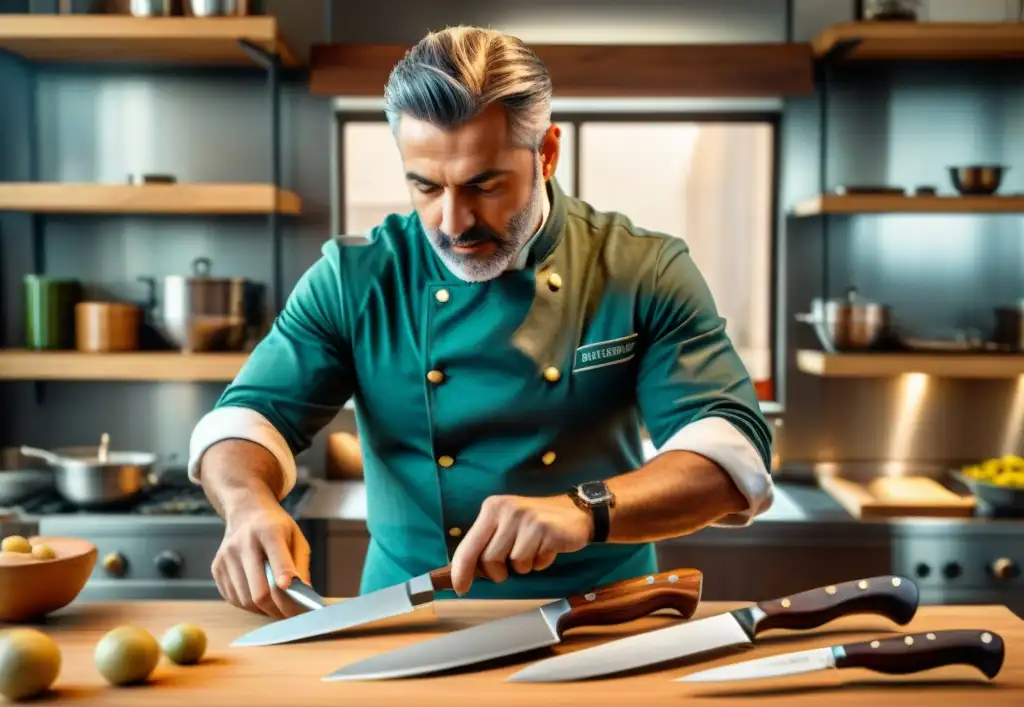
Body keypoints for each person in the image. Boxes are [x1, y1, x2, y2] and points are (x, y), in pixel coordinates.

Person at [188, 25, 775, 619]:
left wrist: (582, 508)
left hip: (602, 617)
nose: (452, 221)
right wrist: (246, 503)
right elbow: (249, 417)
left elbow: (731, 453)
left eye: (484, 185)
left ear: (545, 153)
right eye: (426, 186)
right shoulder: (355, 277)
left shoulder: (643, 269)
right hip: (408, 619)